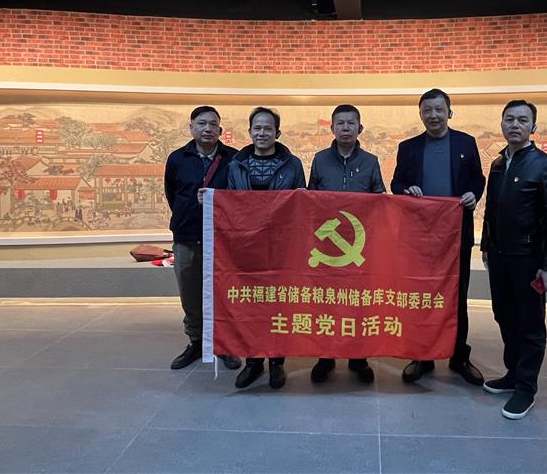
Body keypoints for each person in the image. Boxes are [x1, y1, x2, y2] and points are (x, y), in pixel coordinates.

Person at [390, 88, 486, 386]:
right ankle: (422, 356)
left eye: (439, 109)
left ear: (449, 112)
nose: (433, 115)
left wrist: (473, 194)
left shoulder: (466, 143)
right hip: (420, 238)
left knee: (457, 296)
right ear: (420, 114)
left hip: (456, 236)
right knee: (421, 295)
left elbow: (478, 179)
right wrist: (406, 190)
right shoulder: (408, 147)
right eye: (427, 110)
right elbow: (396, 183)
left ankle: (459, 356)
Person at [481, 99, 547, 419]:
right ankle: (513, 373)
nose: (514, 125)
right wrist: (486, 245)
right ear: (502, 124)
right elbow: (490, 210)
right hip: (499, 256)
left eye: (521, 120)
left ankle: (526, 388)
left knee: (529, 324)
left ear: (533, 127)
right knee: (504, 315)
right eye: (509, 119)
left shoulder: (545, 166)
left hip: (529, 259)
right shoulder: (498, 164)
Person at [229, 107, 307, 390]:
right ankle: (252, 361)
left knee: (278, 303)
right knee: (250, 304)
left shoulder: (292, 164)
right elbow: (230, 204)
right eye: (257, 128)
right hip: (247, 246)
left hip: (281, 246)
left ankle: (276, 362)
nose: (262, 133)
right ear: (250, 131)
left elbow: (302, 205)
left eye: (268, 128)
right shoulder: (236, 164)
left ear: (278, 133)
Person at [307, 104, 386, 384]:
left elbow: (381, 199)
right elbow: (311, 199)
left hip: (360, 245)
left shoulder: (371, 161)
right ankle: (325, 356)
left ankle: (358, 357)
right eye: (340, 123)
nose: (345, 128)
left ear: (359, 128)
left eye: (351, 123)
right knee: (327, 302)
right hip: (326, 249)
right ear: (331, 128)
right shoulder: (319, 160)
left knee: (358, 303)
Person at [164, 106, 241, 371]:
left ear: (220, 129)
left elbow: (239, 197)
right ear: (191, 127)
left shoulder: (233, 158)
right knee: (190, 293)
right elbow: (172, 194)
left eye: (213, 124)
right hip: (187, 236)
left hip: (223, 239)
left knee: (223, 293)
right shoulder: (178, 159)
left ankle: (224, 344)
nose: (208, 129)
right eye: (202, 123)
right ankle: (196, 342)